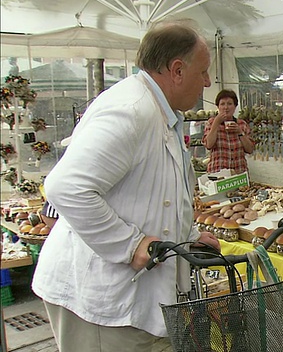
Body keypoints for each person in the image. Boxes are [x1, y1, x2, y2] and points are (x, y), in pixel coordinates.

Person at [32, 20, 220, 351]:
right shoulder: (132, 110)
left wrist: (188, 238)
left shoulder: (161, 112)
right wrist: (130, 245)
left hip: (131, 300)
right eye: (203, 71)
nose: (206, 82)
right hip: (101, 303)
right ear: (177, 70)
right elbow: (66, 188)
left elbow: (154, 192)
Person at [203, 89, 254, 173]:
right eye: (222, 104)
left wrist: (240, 132)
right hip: (218, 174)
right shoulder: (211, 122)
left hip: (239, 173)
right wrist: (216, 123)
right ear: (218, 107)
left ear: (235, 106)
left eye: (229, 104)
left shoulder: (242, 124)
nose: (226, 107)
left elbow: (250, 149)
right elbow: (209, 145)